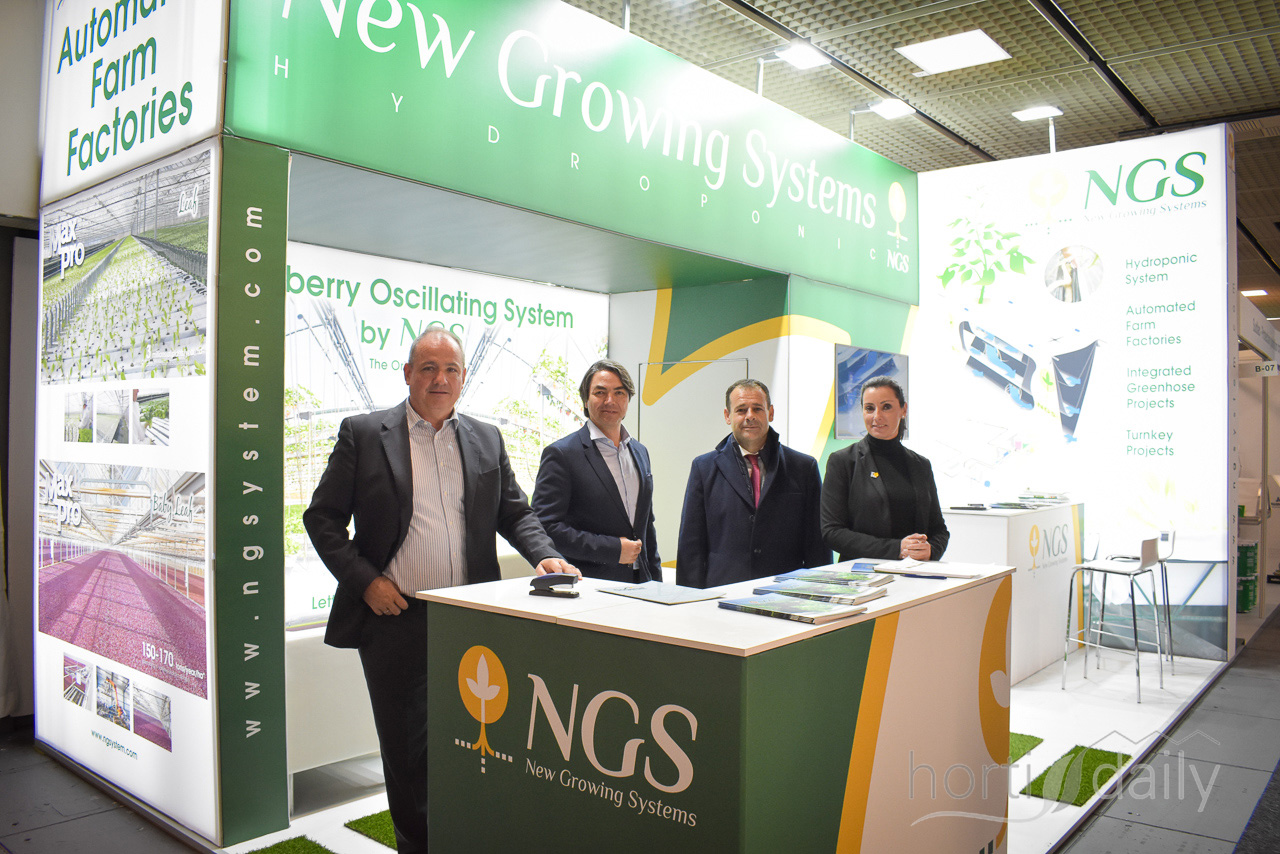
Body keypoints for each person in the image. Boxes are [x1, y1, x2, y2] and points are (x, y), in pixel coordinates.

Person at [303, 328, 577, 854]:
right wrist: (366, 582)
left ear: (463, 377)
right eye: (428, 367)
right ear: (408, 373)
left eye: (450, 369)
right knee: (408, 755)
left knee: (475, 742)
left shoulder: (486, 438)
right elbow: (323, 518)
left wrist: (544, 554)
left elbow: (514, 512)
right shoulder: (365, 434)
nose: (440, 379)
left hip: (469, 620)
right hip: (395, 618)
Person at [676, 379, 828, 588]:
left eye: (757, 408)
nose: (750, 416)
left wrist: (820, 592)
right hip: (723, 591)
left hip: (784, 592)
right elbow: (691, 544)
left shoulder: (803, 468)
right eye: (741, 410)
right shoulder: (703, 468)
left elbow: (817, 543)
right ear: (727, 416)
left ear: (770, 413)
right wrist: (689, 598)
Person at [532, 360, 661, 583]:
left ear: (628, 399)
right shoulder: (562, 454)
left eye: (619, 392)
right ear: (586, 399)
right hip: (589, 585)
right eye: (600, 392)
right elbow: (545, 527)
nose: (610, 400)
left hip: (642, 583)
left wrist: (656, 583)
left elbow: (646, 525)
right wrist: (612, 549)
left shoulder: (640, 452)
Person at [821, 376, 948, 562]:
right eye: (869, 408)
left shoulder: (921, 465)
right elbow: (832, 531)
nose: (877, 416)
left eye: (886, 407)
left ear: (903, 410)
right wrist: (896, 549)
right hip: (862, 574)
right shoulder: (842, 461)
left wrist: (931, 550)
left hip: (915, 572)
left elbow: (939, 530)